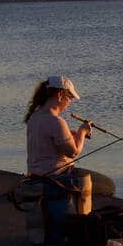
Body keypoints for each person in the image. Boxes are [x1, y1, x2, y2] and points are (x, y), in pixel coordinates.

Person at [24, 75, 115, 228]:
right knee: (108, 186)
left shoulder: (35, 117)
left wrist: (72, 135)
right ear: (60, 94)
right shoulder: (56, 121)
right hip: (58, 176)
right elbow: (73, 152)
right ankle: (83, 219)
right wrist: (82, 132)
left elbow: (50, 145)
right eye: (70, 97)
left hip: (36, 175)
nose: (70, 102)